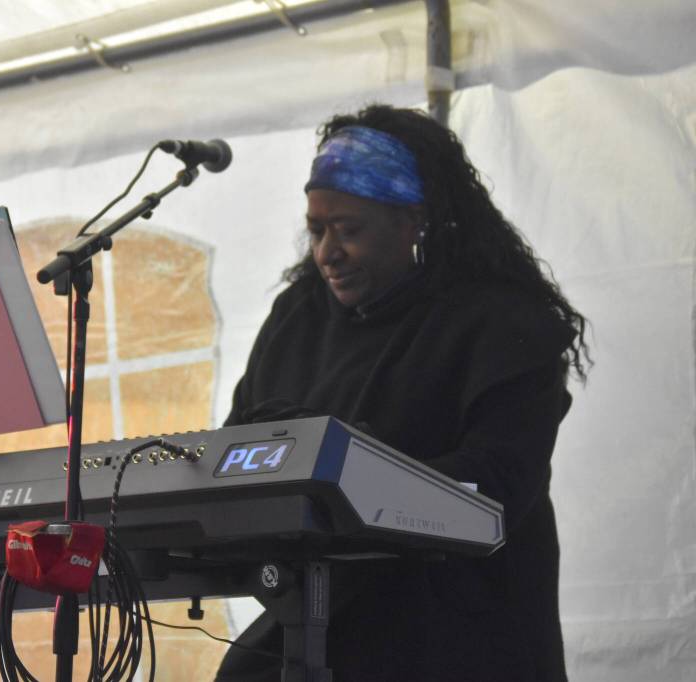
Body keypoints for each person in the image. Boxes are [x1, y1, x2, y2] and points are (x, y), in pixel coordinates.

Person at [215, 104, 588, 682]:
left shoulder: (503, 322)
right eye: (316, 229)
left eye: (349, 229)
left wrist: (341, 460)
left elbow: (498, 484)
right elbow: (237, 447)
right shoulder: (298, 314)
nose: (326, 253)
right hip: (324, 611)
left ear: (414, 222)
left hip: (460, 624)